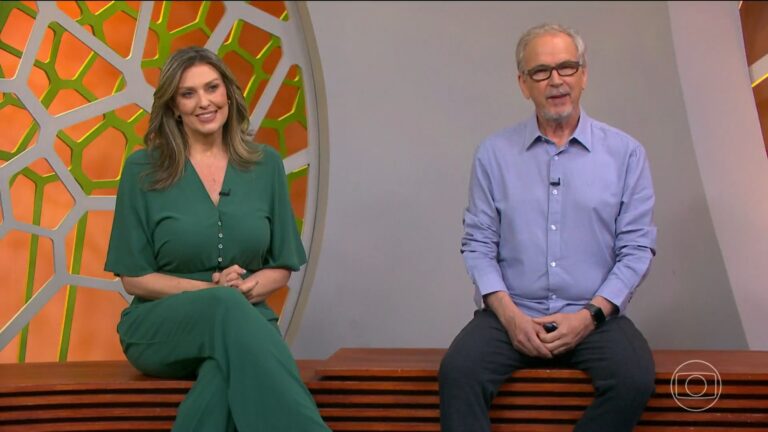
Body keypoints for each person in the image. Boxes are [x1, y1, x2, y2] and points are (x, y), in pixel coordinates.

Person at [439, 23, 657, 431]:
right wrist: (509, 316)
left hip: (593, 316)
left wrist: (590, 315)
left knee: (634, 378)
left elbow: (637, 249)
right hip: (511, 314)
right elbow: (478, 244)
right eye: (541, 71)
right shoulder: (493, 154)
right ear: (524, 84)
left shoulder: (626, 154)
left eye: (566, 67)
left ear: (584, 75)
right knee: (457, 373)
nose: (555, 81)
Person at [104, 46, 330, 431]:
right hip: (160, 327)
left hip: (246, 318)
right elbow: (135, 278)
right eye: (188, 93)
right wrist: (212, 290)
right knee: (227, 312)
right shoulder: (143, 169)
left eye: (211, 88)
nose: (203, 102)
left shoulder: (266, 164)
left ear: (228, 93)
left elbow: (281, 268)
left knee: (221, 380)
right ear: (174, 106)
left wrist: (241, 290)